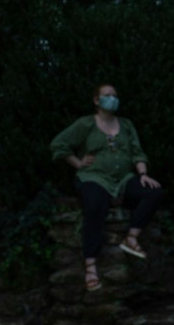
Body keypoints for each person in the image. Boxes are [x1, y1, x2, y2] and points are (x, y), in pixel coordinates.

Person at [50, 83, 164, 292]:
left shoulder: (126, 125)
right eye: (107, 95)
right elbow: (59, 145)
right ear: (96, 100)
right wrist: (78, 163)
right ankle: (91, 266)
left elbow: (137, 152)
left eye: (115, 95)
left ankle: (131, 238)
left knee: (154, 192)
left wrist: (143, 174)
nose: (113, 98)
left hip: (123, 179)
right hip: (94, 177)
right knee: (94, 206)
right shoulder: (85, 124)